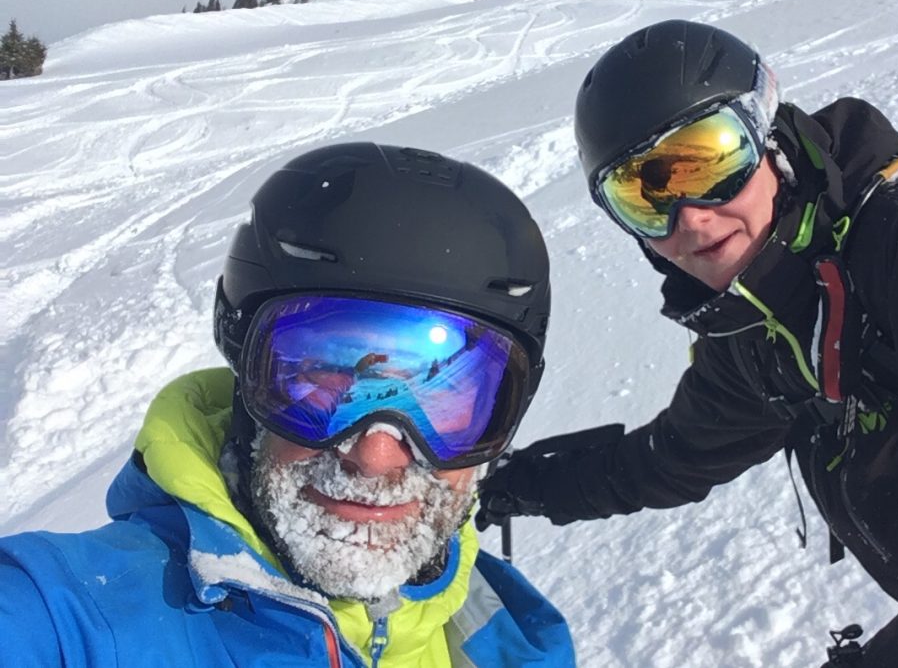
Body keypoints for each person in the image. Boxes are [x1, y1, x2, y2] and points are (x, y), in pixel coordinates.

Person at [476, 19, 898, 667]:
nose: (692, 218)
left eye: (710, 161)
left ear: (767, 136)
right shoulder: (760, 331)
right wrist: (518, 482)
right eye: (644, 193)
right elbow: (666, 457)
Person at [0, 142, 575, 667]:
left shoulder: (518, 638)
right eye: (323, 375)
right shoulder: (72, 616)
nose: (375, 455)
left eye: (445, 394)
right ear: (248, 381)